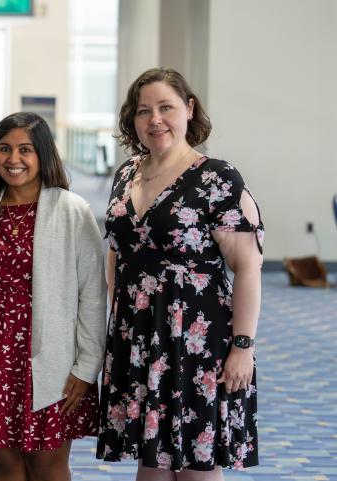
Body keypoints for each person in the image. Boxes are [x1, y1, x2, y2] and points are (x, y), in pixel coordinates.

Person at [96, 67, 264, 479]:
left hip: (196, 339)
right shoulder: (127, 173)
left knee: (195, 467)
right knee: (150, 464)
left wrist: (243, 345)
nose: (155, 120)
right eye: (143, 111)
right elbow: (118, 251)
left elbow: (247, 266)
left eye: (166, 107)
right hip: (137, 336)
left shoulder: (217, 178)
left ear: (189, 109)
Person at [0, 112, 107, 481]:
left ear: (43, 155)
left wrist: (88, 365)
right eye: (4, 149)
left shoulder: (71, 211)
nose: (13, 159)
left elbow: (93, 294)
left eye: (25, 150)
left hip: (54, 362)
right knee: (6, 464)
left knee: (46, 465)